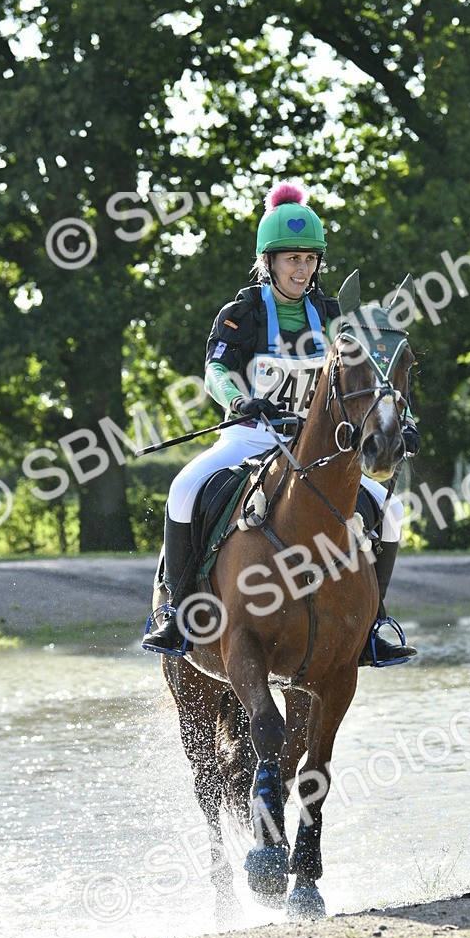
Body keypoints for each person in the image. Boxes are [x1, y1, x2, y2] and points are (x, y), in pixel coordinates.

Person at [142, 180, 420, 665]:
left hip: (317, 446)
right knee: (184, 489)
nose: (302, 268)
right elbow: (217, 370)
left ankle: (373, 624)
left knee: (388, 510)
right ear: (268, 262)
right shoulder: (242, 313)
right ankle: (179, 612)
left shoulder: (334, 316)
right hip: (249, 437)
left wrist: (406, 421)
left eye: (310, 259)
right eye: (292, 258)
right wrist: (239, 401)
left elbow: (378, 375)